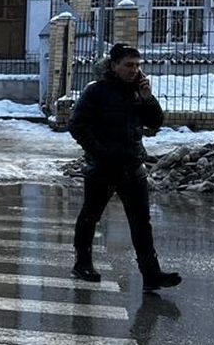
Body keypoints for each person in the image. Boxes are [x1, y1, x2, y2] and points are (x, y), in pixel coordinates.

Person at [68, 42, 183, 293]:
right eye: (128, 65)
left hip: (132, 167)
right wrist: (100, 152)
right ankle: (82, 263)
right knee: (90, 216)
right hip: (102, 168)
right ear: (114, 65)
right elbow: (77, 125)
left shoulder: (137, 92)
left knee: (141, 222)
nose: (134, 70)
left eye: (138, 66)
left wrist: (148, 99)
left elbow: (155, 123)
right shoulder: (96, 92)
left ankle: (151, 274)